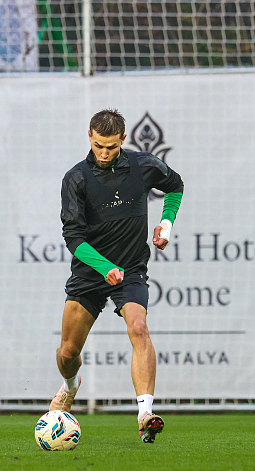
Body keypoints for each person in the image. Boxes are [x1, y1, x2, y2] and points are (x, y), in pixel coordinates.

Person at [50, 108, 184, 443]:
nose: (104, 153)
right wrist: (104, 267)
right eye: (98, 145)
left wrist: (166, 223)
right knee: (67, 352)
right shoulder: (76, 178)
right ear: (89, 137)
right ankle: (70, 386)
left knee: (138, 327)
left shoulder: (143, 165)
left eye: (111, 146)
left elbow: (175, 185)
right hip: (90, 273)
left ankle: (145, 414)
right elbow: (73, 238)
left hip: (131, 269)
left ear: (123, 139)